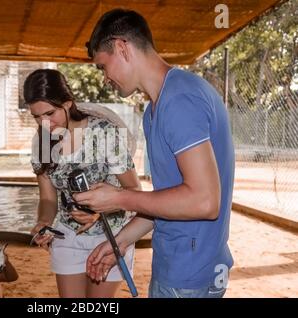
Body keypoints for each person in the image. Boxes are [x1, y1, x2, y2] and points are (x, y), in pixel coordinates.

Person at [74, 9, 235, 298]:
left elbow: (204, 201)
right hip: (181, 264)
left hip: (187, 274)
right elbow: (171, 200)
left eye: (102, 66)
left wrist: (118, 197)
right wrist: (121, 240)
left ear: (122, 47)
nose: (104, 78)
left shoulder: (179, 100)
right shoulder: (155, 110)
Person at [24, 69, 144, 298]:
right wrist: (43, 222)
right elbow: (48, 198)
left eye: (50, 113)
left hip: (111, 237)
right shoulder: (41, 141)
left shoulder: (104, 133)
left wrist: (99, 212)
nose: (45, 124)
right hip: (67, 237)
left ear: (68, 103)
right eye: (36, 117)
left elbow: (134, 191)